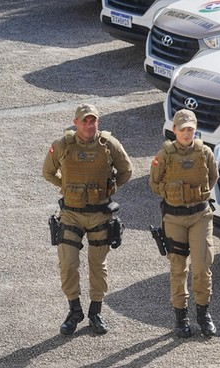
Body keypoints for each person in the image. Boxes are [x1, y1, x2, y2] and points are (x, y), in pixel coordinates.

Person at [42, 103, 133, 335]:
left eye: (93, 120)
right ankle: (74, 310)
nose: (89, 125)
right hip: (71, 214)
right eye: (85, 121)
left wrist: (110, 187)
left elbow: (127, 171)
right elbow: (47, 172)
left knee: (98, 264)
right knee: (68, 263)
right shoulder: (62, 145)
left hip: (100, 214)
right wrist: (64, 186)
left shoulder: (109, 144)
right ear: (76, 122)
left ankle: (95, 312)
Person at [148, 109, 220, 338]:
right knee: (178, 268)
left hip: (200, 216)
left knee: (201, 268)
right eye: (183, 129)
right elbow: (154, 183)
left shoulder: (205, 152)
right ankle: (181, 318)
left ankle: (203, 314)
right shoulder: (164, 155)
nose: (187, 133)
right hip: (174, 218)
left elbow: (213, 177)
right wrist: (174, 195)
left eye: (191, 129)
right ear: (174, 130)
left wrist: (195, 196)